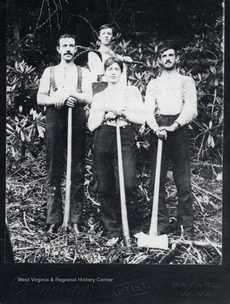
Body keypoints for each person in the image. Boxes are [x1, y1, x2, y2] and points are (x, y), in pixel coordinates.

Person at [37, 34, 92, 239]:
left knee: (76, 168)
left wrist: (72, 96)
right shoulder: (49, 72)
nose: (68, 49)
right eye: (64, 46)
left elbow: (89, 96)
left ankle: (75, 219)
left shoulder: (83, 72)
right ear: (58, 49)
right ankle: (53, 220)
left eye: (71, 46)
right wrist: (57, 99)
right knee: (54, 167)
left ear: (76, 49)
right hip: (55, 118)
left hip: (76, 117)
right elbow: (40, 97)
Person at [88, 56, 145, 246]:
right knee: (105, 185)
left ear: (122, 72)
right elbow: (91, 125)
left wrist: (124, 112)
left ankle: (132, 227)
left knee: (128, 183)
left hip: (125, 134)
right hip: (104, 136)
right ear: (105, 73)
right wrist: (105, 113)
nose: (113, 72)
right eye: (109, 69)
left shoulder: (132, 92)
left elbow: (141, 118)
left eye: (116, 69)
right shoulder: (99, 95)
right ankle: (113, 231)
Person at [145, 43, 197, 239]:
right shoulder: (153, 84)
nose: (167, 58)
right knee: (156, 179)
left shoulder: (186, 81)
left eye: (171, 55)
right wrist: (156, 127)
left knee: (182, 179)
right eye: (164, 56)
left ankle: (187, 227)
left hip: (178, 128)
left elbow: (191, 108)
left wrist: (174, 125)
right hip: (158, 129)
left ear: (177, 58)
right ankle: (160, 224)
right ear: (159, 60)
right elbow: (147, 109)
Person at [87, 24, 132, 94]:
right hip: (101, 91)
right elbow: (99, 72)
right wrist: (121, 59)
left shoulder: (118, 57)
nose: (106, 36)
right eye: (103, 33)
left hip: (117, 91)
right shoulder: (94, 54)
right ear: (99, 36)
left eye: (109, 33)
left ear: (113, 37)